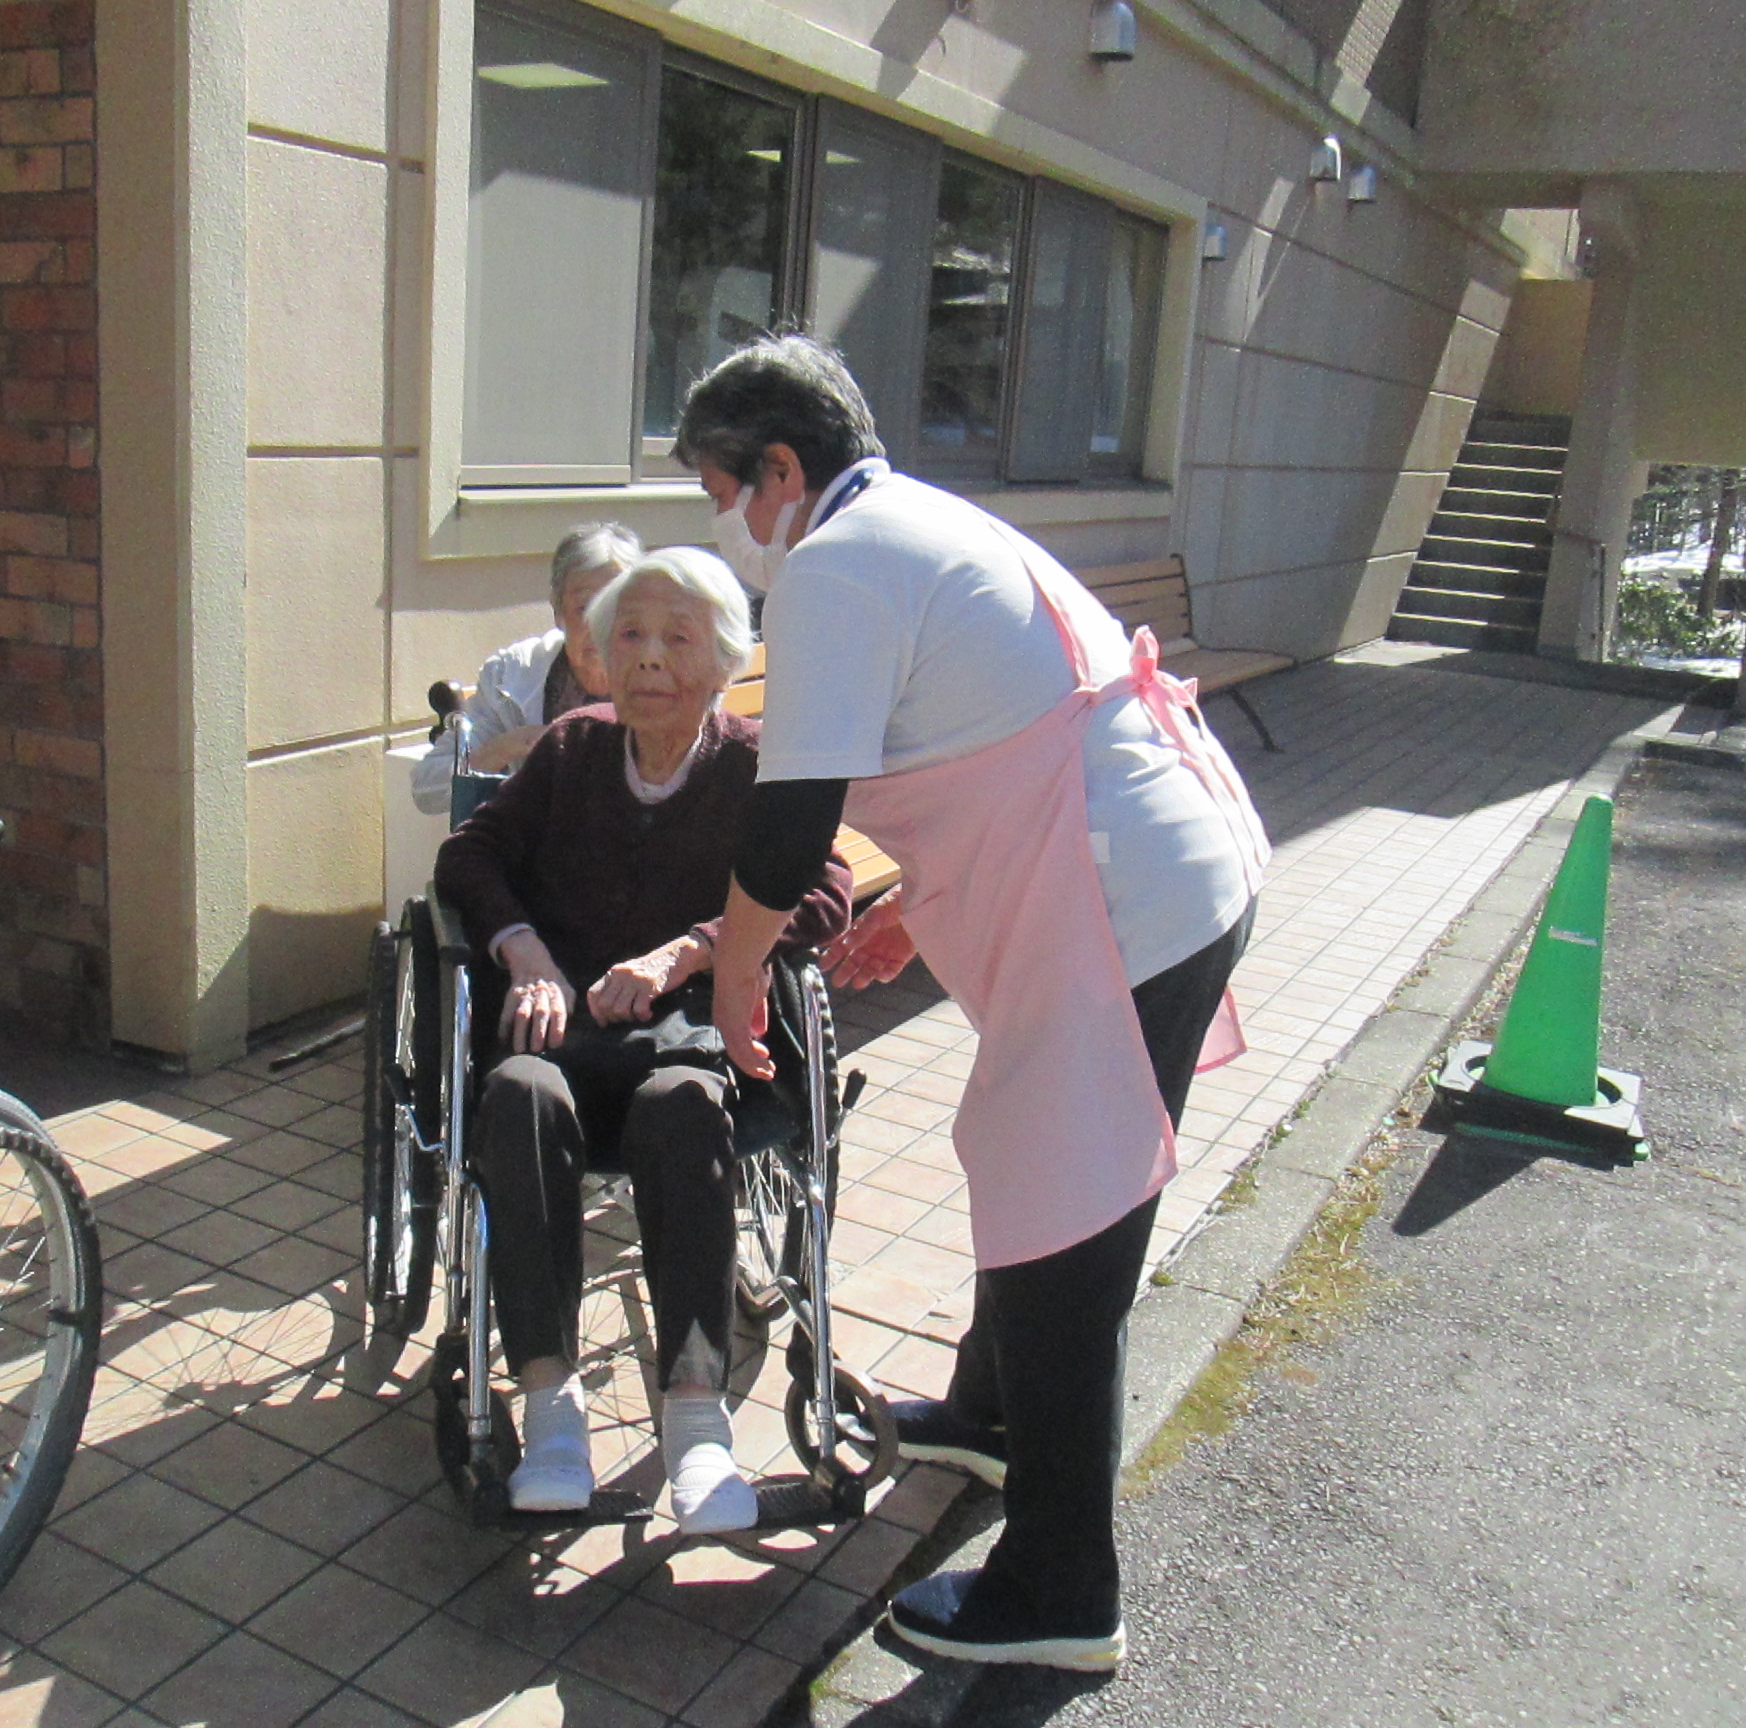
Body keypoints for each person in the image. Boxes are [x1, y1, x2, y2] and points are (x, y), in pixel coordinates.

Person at [677, 336, 1269, 1669]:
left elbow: (789, 827)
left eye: (723, 494)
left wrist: (734, 971)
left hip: (1125, 897)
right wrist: (915, 906)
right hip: (1156, 866)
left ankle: (1061, 1592)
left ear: (782, 470)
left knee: (1068, 1228)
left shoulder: (835, 562)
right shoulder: (913, 523)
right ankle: (992, 1417)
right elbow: (990, 723)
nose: (725, 526)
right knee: (1032, 1164)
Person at [434, 547, 851, 1534]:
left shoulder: (753, 765)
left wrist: (694, 950)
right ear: (602, 656)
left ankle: (697, 1422)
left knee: (682, 1106)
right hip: (558, 1031)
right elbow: (468, 856)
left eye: (678, 637)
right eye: (630, 634)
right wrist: (526, 953)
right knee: (517, 1096)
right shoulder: (572, 750)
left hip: (691, 1038)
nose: (651, 656)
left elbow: (826, 888)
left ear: (724, 661)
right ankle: (552, 1412)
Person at [409, 522, 641, 814]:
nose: (599, 625)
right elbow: (427, 789)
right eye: (584, 607)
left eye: (614, 608)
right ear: (557, 610)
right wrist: (509, 745)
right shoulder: (512, 678)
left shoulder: (663, 679)